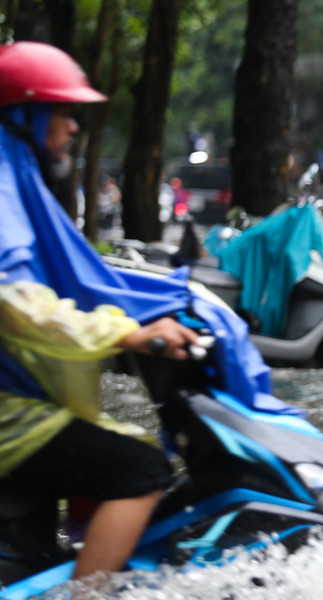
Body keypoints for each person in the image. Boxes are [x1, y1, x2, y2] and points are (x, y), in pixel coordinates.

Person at [0, 41, 287, 586]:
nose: (73, 127)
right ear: (26, 114)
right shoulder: (3, 185)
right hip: (10, 413)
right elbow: (19, 305)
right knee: (140, 469)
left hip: (24, 399)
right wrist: (130, 332)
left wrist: (169, 302)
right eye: (63, 112)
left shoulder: (19, 181)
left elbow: (77, 278)